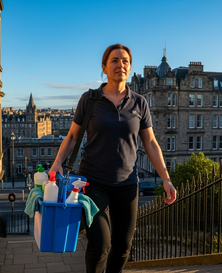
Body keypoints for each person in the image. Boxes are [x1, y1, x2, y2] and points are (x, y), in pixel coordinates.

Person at [50, 43, 176, 273]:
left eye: (125, 61)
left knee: (123, 247)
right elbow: (72, 136)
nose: (121, 65)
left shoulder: (139, 102)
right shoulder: (90, 99)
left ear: (130, 67)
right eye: (115, 60)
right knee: (100, 244)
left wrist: (166, 178)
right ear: (104, 67)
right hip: (93, 182)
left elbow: (150, 143)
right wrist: (57, 162)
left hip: (127, 185)